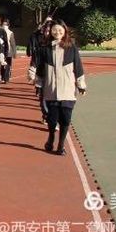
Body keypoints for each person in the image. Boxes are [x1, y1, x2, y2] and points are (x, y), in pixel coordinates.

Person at [34, 20, 86, 156]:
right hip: (51, 89)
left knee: (66, 119)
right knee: (52, 119)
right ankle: (51, 136)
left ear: (64, 31)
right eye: (54, 30)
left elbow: (78, 67)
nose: (57, 32)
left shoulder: (72, 48)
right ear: (50, 31)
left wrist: (81, 85)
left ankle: (61, 145)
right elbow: (40, 69)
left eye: (60, 30)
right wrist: (38, 84)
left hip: (67, 89)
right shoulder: (45, 48)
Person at [0, 18, 17, 83]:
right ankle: (5, 78)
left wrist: (14, 52)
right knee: (5, 65)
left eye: (5, 24)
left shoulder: (8, 32)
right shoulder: (8, 32)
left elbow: (12, 43)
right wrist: (14, 52)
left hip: (5, 51)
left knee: (5, 65)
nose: (4, 26)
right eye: (3, 24)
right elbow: (13, 43)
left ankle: (4, 78)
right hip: (4, 51)